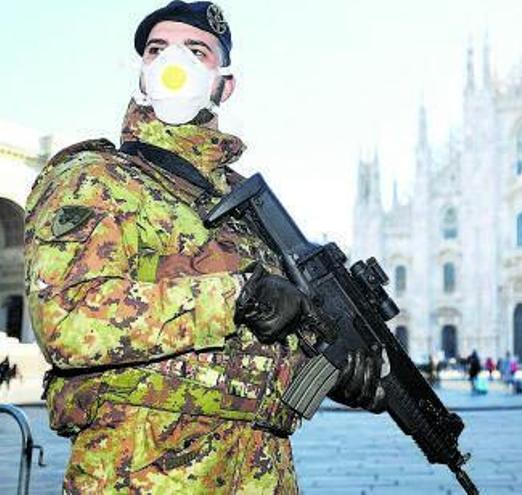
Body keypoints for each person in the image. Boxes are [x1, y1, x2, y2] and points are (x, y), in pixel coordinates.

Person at [23, 3, 385, 492]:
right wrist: (236, 297)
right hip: (143, 475)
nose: (176, 64)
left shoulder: (250, 207)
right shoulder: (94, 179)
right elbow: (69, 321)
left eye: (197, 51)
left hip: (261, 476)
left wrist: (332, 370)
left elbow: (262, 343)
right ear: (141, 73)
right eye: (158, 50)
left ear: (224, 83)